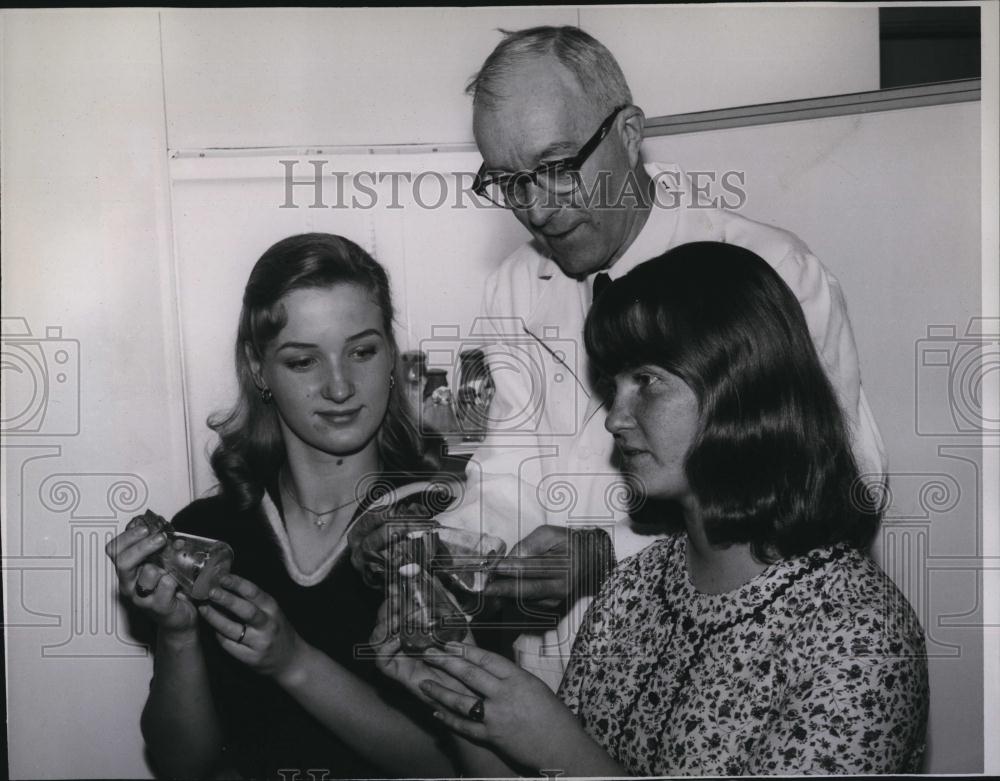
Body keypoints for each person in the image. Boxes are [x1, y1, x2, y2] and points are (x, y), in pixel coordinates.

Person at [352, 24, 888, 689]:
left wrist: (613, 553)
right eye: (511, 183)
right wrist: (442, 545)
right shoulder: (516, 286)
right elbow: (511, 472)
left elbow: (842, 488)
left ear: (629, 133)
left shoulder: (768, 272)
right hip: (564, 673)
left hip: (730, 664)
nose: (540, 210)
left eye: (556, 167)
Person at [376, 242, 929, 776]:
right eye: (614, 386)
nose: (615, 418)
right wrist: (451, 677)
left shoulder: (859, 633)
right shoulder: (633, 587)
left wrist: (558, 747)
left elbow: (566, 763)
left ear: (740, 387)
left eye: (647, 382)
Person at [105, 233, 458, 779]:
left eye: (362, 351)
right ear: (258, 368)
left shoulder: (449, 532)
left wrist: (294, 664)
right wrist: (176, 635)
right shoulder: (205, 535)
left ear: (391, 355)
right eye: (302, 361)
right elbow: (182, 766)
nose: (340, 387)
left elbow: (457, 770)